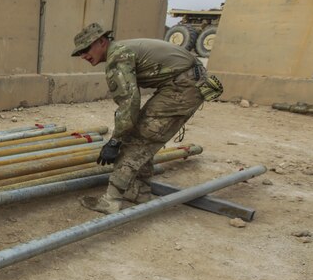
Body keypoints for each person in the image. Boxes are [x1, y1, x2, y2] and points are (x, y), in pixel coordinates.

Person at [71, 22, 223, 214]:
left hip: (182, 88)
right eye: (79, 53)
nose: (83, 56)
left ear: (101, 42)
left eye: (85, 49)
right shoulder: (123, 49)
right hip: (184, 84)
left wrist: (115, 141)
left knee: (136, 139)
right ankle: (139, 191)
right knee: (144, 136)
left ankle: (110, 200)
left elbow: (129, 103)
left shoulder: (118, 56)